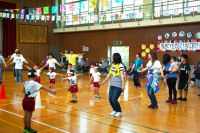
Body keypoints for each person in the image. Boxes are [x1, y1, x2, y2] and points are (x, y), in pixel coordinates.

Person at [102, 53, 125, 117]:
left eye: (113, 57)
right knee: (110, 99)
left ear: (116, 58)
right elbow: (109, 74)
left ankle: (119, 111)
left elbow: (122, 76)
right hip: (112, 84)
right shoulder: (113, 65)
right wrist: (104, 81)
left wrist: (123, 85)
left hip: (118, 85)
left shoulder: (121, 66)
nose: (112, 58)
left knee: (114, 99)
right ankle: (114, 110)